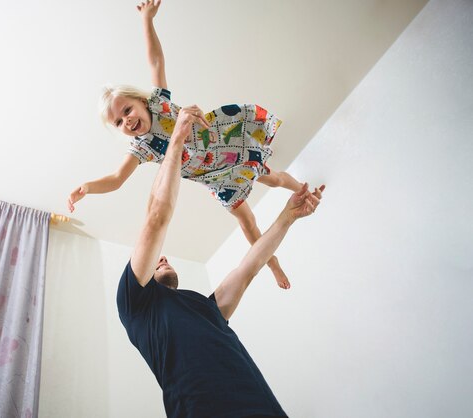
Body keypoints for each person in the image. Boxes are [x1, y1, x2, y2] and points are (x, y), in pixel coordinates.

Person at [68, 0, 304, 290]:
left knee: (274, 178)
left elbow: (155, 61)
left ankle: (302, 190)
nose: (126, 122)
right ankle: (273, 264)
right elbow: (117, 179)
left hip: (226, 146)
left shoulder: (161, 104)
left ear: (141, 102)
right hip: (214, 177)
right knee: (246, 221)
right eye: (117, 122)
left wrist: (147, 21)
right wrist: (88, 187)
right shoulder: (143, 148)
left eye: (127, 111)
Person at [116, 93, 325, 416]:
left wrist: (287, 216)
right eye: (157, 261)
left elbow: (250, 265)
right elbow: (157, 216)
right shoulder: (135, 304)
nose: (162, 258)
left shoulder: (205, 308)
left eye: (163, 258)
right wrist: (177, 139)